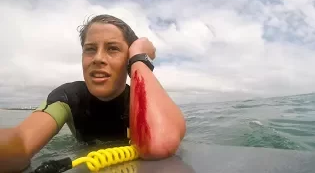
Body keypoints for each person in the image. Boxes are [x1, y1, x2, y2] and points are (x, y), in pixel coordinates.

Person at [0, 14, 186, 173]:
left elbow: (159, 145)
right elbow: (21, 143)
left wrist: (139, 58)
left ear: (127, 60)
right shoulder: (68, 97)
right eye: (90, 49)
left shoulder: (138, 100)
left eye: (112, 48)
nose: (97, 58)